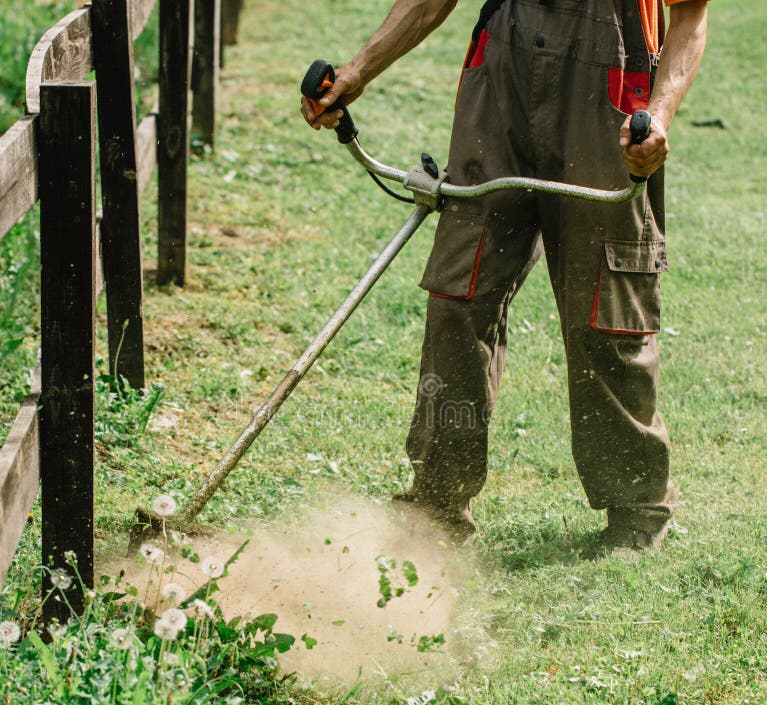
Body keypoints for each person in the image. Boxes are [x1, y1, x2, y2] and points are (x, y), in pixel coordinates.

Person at [301, 0, 708, 555]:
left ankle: (636, 510)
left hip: (610, 98)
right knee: (459, 293)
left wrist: (658, 118)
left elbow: (689, 16)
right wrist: (358, 70)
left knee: (605, 309)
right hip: (500, 85)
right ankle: (436, 505)